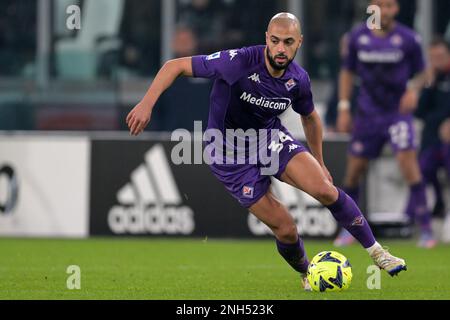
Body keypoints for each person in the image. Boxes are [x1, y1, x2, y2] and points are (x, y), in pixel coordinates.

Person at [126, 12, 407, 290]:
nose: (280, 49)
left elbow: (310, 117)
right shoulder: (237, 62)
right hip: (228, 154)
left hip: (268, 140)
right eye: (275, 41)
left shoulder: (298, 80)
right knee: (286, 229)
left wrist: (319, 161)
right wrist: (146, 104)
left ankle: (378, 253)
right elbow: (174, 65)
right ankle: (308, 273)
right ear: (266, 40)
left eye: (287, 42)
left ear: (299, 42)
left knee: (324, 188)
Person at [335, 0, 434, 248]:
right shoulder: (357, 37)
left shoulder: (409, 38)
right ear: (371, 8)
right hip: (368, 113)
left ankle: (425, 229)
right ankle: (349, 228)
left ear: (396, 9)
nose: (384, 11)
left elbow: (424, 73)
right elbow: (347, 72)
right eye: (380, 5)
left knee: (408, 163)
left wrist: (413, 89)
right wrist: (344, 106)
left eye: (389, 6)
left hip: (397, 113)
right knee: (354, 170)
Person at [416, 38, 450, 221]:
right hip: (431, 137)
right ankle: (430, 209)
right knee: (422, 170)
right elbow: (419, 111)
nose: (437, 60)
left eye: (440, 56)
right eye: (433, 57)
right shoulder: (432, 79)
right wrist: (427, 84)